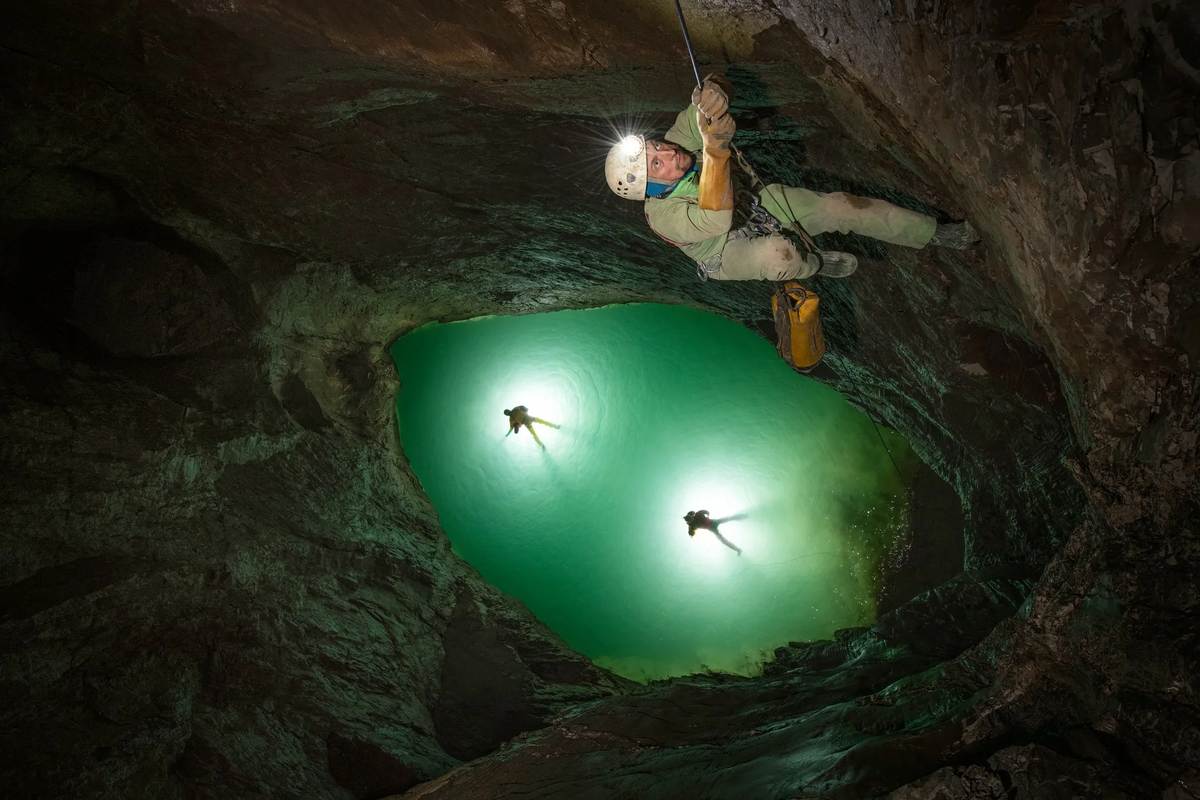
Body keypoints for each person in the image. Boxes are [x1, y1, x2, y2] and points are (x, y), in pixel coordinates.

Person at [604, 74, 980, 282]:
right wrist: (715, 151)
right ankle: (816, 265)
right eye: (656, 165)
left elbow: (703, 105)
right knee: (779, 254)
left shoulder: (675, 145)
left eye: (655, 147)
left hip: (752, 202)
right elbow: (717, 219)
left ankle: (931, 232)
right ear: (651, 189)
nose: (667, 153)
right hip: (724, 250)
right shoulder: (662, 217)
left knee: (841, 206)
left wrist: (715, 91)